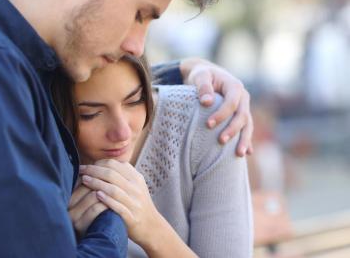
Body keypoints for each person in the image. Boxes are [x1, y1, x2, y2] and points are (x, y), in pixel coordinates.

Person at [0, 0, 253, 257]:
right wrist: (113, 213)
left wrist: (183, 72)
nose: (137, 46)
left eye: (134, 100)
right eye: (139, 14)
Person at [63, 55, 253, 257]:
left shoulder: (207, 123)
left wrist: (152, 230)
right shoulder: (42, 153)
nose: (122, 133)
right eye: (90, 114)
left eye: (135, 100)